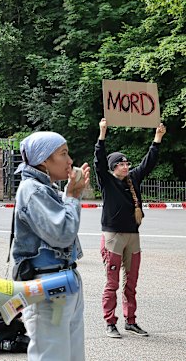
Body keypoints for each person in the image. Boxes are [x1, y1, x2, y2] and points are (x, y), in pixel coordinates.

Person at [11, 131, 90, 361]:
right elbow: (63, 234)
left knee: (71, 354)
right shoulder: (32, 190)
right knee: (52, 355)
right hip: (48, 288)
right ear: (44, 160)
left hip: (62, 283)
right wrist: (73, 196)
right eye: (63, 154)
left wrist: (69, 193)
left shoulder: (46, 189)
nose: (70, 160)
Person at [95, 118, 166, 338]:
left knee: (131, 283)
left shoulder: (133, 178)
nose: (126, 167)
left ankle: (130, 321)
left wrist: (157, 138)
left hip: (133, 236)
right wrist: (102, 134)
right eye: (121, 164)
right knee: (112, 283)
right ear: (113, 168)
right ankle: (110, 322)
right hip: (113, 236)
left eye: (126, 163)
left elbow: (148, 162)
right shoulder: (106, 180)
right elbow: (98, 160)